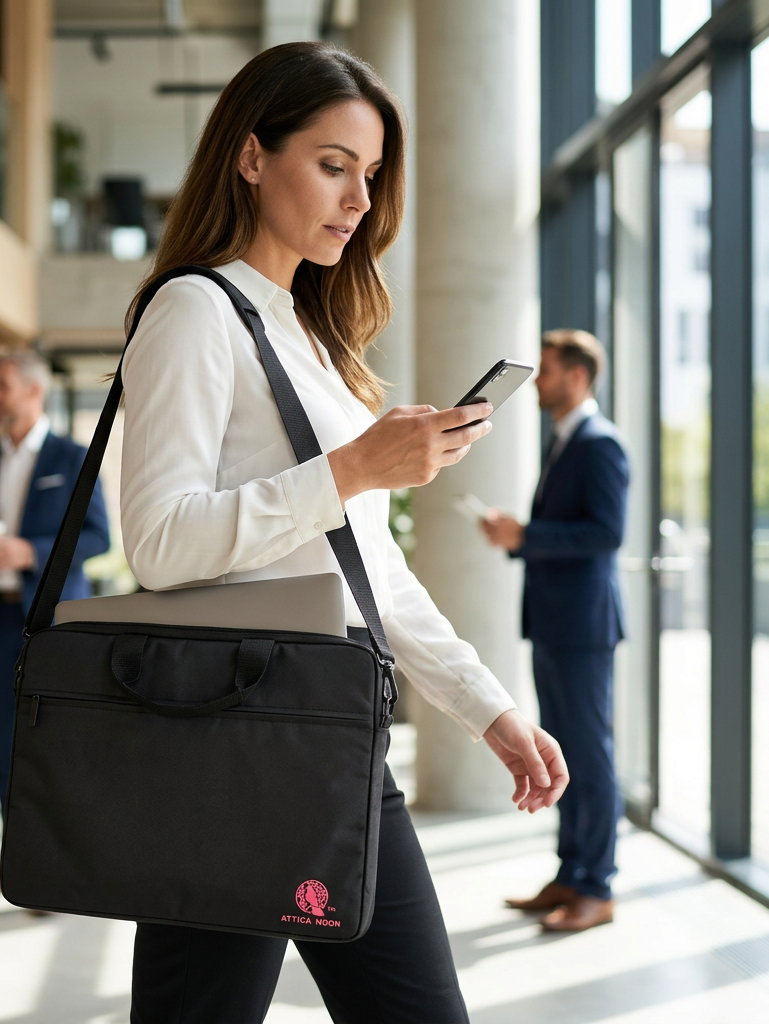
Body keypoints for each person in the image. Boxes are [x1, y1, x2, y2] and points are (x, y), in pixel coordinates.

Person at [118, 42, 568, 1024]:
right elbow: (157, 543)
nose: (358, 200)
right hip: (235, 740)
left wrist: (488, 708)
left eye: (368, 175)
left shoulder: (311, 338)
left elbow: (371, 570)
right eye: (331, 165)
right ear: (249, 156)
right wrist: (352, 469)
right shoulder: (194, 311)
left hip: (333, 727)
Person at [481, 329, 629, 933]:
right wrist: (519, 542)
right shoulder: (565, 442)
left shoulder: (599, 444)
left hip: (582, 627)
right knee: (563, 751)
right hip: (555, 622)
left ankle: (597, 887)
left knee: (589, 757)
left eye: (545, 371)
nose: (537, 382)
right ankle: (570, 875)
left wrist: (527, 536)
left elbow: (606, 534)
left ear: (576, 375)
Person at [0, 348, 109, 897]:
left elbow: (98, 538)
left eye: (1, 385)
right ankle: (10, 864)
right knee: (5, 748)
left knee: (57, 749)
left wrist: (28, 551)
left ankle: (59, 871)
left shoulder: (73, 456)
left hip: (53, 626)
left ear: (33, 390)